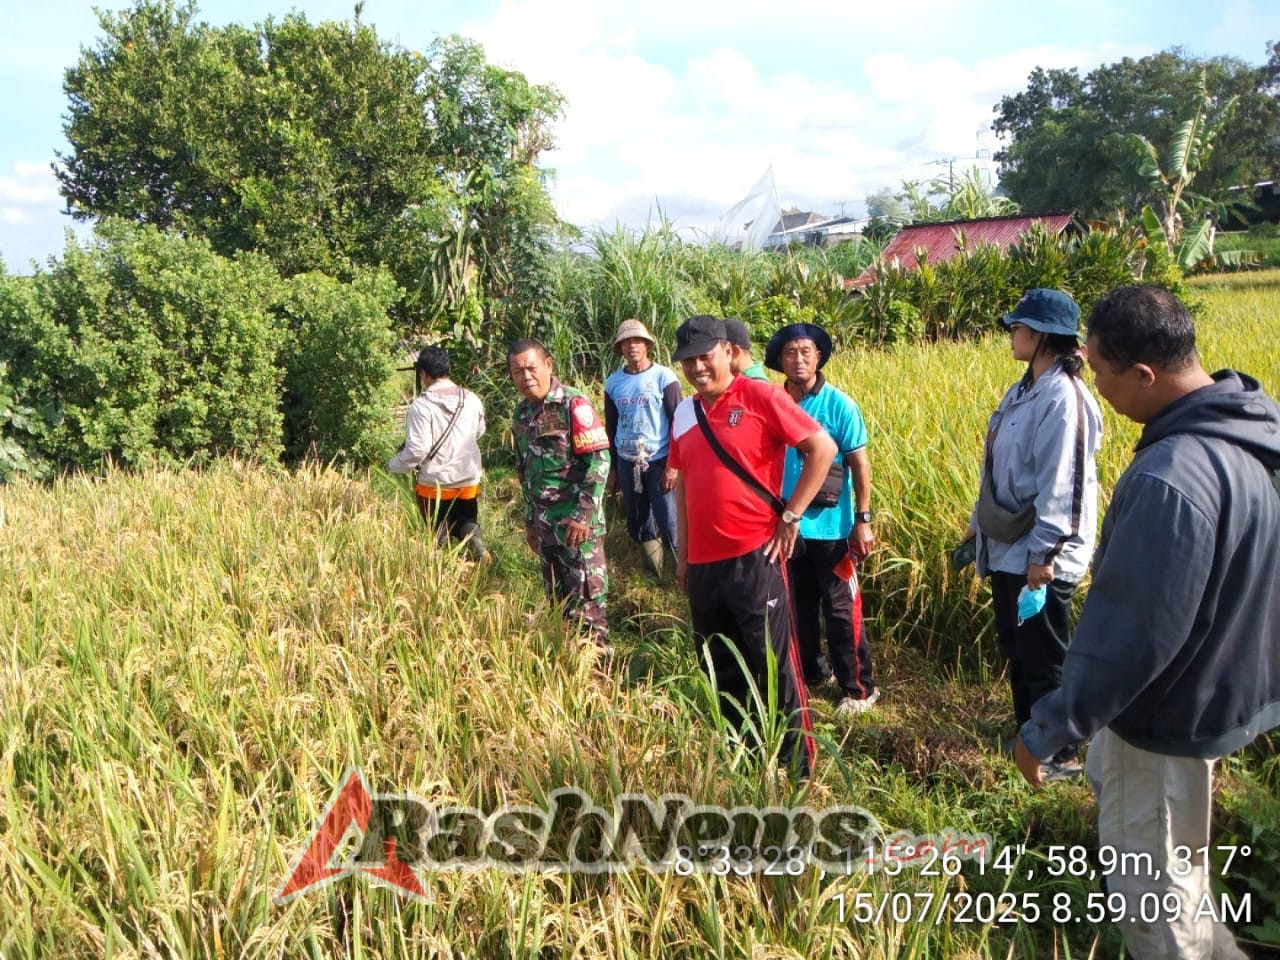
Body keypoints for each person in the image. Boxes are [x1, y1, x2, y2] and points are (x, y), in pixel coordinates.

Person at [1016, 285, 1280, 959]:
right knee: (1182, 877)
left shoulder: (1173, 474)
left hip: (1162, 713)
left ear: (1144, 374)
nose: (1096, 387)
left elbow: (1130, 636)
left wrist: (1050, 726)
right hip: (1214, 690)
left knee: (1156, 906)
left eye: (1101, 371)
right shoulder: (1250, 432)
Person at [668, 314, 837, 777]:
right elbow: (682, 488)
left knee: (774, 666)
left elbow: (821, 449)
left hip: (756, 556)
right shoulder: (686, 413)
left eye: (705, 356)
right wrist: (683, 557)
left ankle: (799, 769)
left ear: (728, 352)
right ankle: (742, 759)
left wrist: (791, 515)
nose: (698, 367)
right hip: (704, 565)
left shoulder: (760, 395)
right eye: (688, 360)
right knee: (719, 665)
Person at [961, 288, 1102, 778]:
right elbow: (1000, 467)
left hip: (1041, 557)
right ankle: (1028, 734)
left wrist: (1044, 554)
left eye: (1018, 326)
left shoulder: (1066, 399)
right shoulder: (1022, 389)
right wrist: (978, 525)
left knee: (1045, 656)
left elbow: (1065, 485)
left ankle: (1058, 754)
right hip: (1007, 549)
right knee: (1017, 648)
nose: (1012, 333)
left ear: (1041, 335)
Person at [765, 322, 879, 716]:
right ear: (780, 361)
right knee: (797, 606)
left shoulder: (839, 405)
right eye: (791, 353)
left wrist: (862, 519)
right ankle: (814, 673)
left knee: (841, 609)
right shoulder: (772, 404)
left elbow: (859, 465)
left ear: (819, 357)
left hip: (832, 528)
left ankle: (859, 688)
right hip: (785, 529)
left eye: (806, 352)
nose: (798, 359)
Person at [508, 339, 612, 650]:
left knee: (588, 607)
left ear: (548, 366)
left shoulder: (572, 404)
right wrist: (529, 521)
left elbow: (599, 460)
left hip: (575, 529)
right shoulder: (522, 412)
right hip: (545, 529)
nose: (526, 377)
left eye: (531, 368)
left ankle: (600, 681)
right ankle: (568, 678)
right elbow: (525, 470)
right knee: (559, 607)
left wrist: (582, 516)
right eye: (517, 371)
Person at [388, 345, 489, 561]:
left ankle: (445, 567)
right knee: (466, 520)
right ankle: (478, 548)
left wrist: (394, 465)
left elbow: (417, 449)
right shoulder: (471, 399)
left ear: (423, 374)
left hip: (434, 483)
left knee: (437, 529)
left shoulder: (421, 406)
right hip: (468, 480)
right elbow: (479, 431)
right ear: (449, 368)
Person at [603, 319, 683, 576]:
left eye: (637, 340)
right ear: (620, 348)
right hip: (628, 461)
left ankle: (679, 571)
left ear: (647, 345)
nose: (631, 346)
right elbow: (611, 428)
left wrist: (673, 464)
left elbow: (677, 422)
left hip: (659, 458)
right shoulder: (613, 383)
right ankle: (653, 572)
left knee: (668, 517)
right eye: (626, 342)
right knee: (638, 517)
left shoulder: (663, 377)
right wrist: (614, 469)